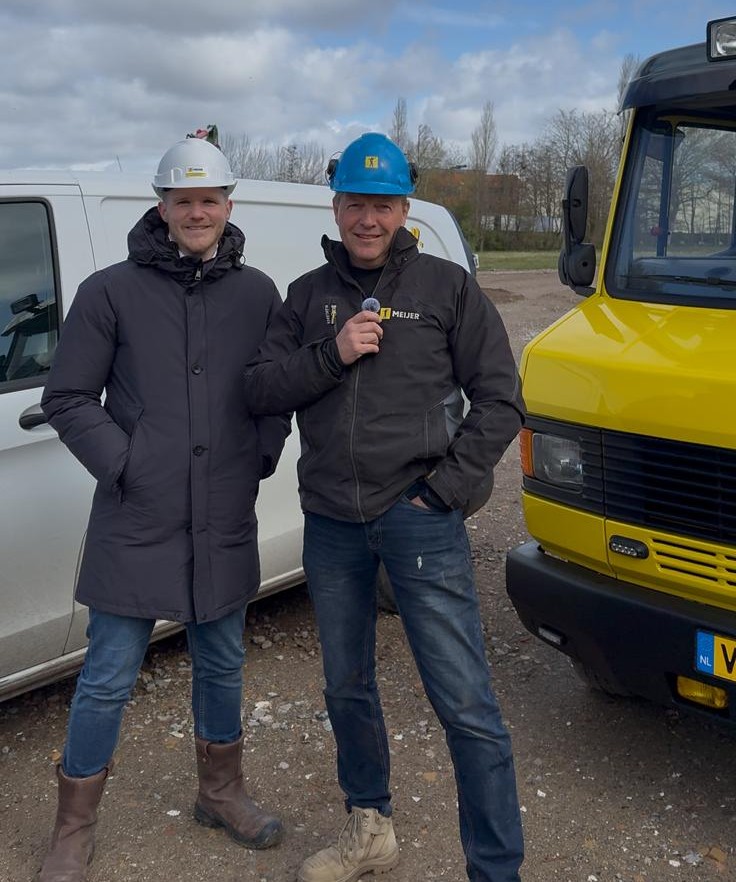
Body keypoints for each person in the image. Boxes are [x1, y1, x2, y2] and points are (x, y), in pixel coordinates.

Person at [243, 132, 526, 882]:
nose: (367, 219)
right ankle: (371, 829)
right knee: (346, 685)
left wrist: (442, 493)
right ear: (335, 206)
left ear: (404, 209)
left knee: (464, 702)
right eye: (354, 204)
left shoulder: (446, 288)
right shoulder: (307, 296)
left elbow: (501, 400)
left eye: (383, 204)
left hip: (418, 519)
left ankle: (496, 870)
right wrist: (331, 352)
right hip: (333, 523)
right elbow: (261, 389)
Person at [37, 137, 290, 882]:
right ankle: (73, 828)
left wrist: (258, 456)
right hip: (137, 516)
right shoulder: (110, 291)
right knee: (108, 674)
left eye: (210, 199)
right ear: (162, 206)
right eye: (184, 200)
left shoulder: (258, 294)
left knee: (223, 662)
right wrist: (127, 465)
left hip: (222, 514)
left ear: (228, 205)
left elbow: (273, 392)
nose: (197, 213)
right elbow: (68, 398)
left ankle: (221, 793)